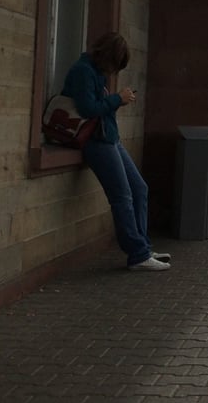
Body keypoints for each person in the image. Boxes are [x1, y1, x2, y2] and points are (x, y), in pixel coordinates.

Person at [62, 32, 170, 272]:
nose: (113, 72)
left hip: (109, 138)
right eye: (114, 65)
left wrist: (116, 100)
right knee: (122, 197)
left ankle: (143, 247)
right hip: (96, 142)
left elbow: (100, 108)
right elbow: (88, 108)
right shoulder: (83, 71)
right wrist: (116, 99)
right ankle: (137, 254)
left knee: (139, 188)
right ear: (106, 56)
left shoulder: (97, 73)